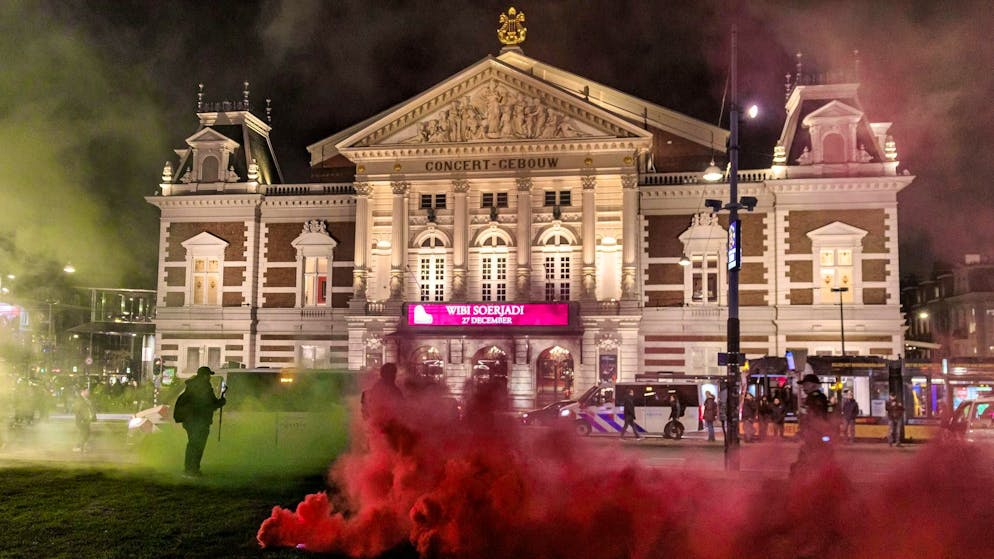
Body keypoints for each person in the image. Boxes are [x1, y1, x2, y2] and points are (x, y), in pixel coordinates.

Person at [172, 366, 226, 477]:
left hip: (189, 420)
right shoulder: (204, 387)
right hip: (200, 421)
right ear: (205, 376)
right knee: (198, 446)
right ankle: (193, 469)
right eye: (208, 375)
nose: (210, 377)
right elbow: (210, 404)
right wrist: (221, 402)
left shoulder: (191, 386)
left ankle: (189, 469)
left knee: (192, 445)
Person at [792, 373, 832, 474]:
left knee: (808, 460)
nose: (803, 387)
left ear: (813, 385)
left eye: (806, 384)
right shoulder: (814, 397)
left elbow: (815, 417)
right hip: (814, 434)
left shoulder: (816, 398)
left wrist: (804, 431)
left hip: (815, 435)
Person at [72, 388, 96, 453]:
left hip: (86, 420)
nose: (88, 392)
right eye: (87, 391)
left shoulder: (86, 399)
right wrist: (82, 418)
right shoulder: (79, 399)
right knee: (84, 433)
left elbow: (89, 409)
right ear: (83, 391)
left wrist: (92, 417)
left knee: (86, 433)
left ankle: (81, 447)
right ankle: (79, 447)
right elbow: (77, 410)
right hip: (82, 420)